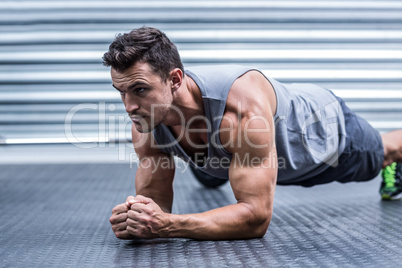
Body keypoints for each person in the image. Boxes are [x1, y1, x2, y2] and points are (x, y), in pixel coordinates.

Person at [103, 27, 402, 240]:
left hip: (318, 134)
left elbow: (256, 219)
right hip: (229, 150)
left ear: (175, 79)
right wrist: (138, 219)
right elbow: (153, 202)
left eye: (140, 90)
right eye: (122, 92)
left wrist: (168, 225)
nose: (129, 106)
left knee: (383, 153)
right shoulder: (146, 116)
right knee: (215, 162)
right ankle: (210, 163)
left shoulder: (240, 111)